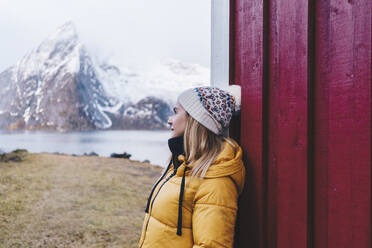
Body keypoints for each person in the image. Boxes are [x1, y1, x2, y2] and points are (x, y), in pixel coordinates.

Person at [138, 85, 245, 248]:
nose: (169, 120)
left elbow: (211, 245)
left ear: (195, 120)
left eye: (176, 112)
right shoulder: (181, 165)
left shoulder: (216, 180)